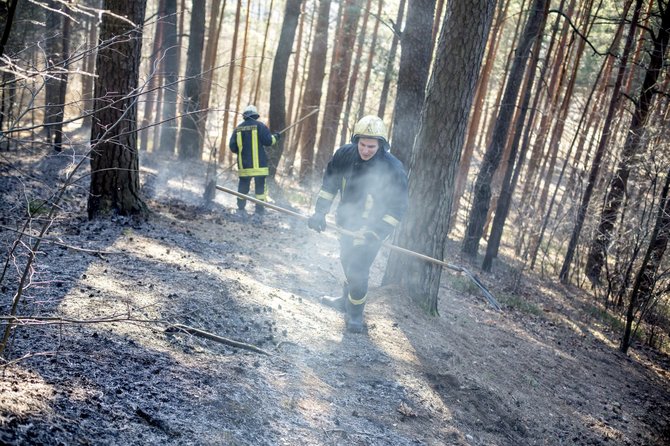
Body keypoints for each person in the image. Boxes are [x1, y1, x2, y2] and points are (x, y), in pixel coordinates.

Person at [307, 115, 408, 333]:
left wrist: (377, 233)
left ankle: (355, 315)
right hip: (347, 223)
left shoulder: (393, 169)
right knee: (346, 260)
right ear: (356, 140)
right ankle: (346, 301)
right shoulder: (344, 154)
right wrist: (319, 212)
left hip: (373, 230)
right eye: (362, 144)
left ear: (381, 145)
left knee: (358, 269)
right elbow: (329, 185)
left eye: (371, 146)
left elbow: (398, 207)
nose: (366, 150)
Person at [229, 105, 280, 219]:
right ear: (255, 115)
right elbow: (268, 141)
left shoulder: (238, 129)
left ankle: (241, 208)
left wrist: (241, 151)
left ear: (245, 116)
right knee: (260, 189)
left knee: (243, 187)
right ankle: (259, 211)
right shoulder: (260, 126)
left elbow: (232, 147)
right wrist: (276, 137)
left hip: (244, 166)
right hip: (259, 167)